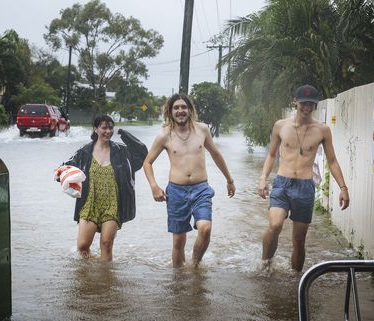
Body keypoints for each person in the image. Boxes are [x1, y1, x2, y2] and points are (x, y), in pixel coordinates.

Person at [258, 84, 350, 272]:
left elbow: (332, 161)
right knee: (275, 225)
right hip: (282, 183)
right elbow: (271, 155)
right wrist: (263, 178)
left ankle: (296, 281)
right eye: (303, 103)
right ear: (295, 102)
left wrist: (343, 188)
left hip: (305, 187)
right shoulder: (280, 126)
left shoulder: (322, 130)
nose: (307, 107)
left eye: (311, 103)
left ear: (315, 105)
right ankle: (264, 265)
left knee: (299, 240)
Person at [143, 93, 236, 268]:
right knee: (178, 241)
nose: (180, 111)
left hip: (201, 189)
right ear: (170, 112)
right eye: (176, 108)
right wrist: (154, 186)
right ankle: (179, 282)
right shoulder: (164, 135)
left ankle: (195, 266)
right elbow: (147, 162)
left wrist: (229, 180)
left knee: (205, 228)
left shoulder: (202, 130)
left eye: (183, 107)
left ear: (190, 110)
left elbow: (216, 154)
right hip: (176, 192)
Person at [60, 115, 147, 261]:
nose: (108, 131)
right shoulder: (85, 151)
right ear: (95, 129)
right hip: (89, 203)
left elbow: (143, 154)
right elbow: (67, 166)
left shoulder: (121, 151)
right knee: (82, 246)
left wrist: (125, 135)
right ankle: (87, 278)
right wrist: (61, 175)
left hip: (113, 204)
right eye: (104, 127)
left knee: (106, 244)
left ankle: (106, 280)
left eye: (111, 127)